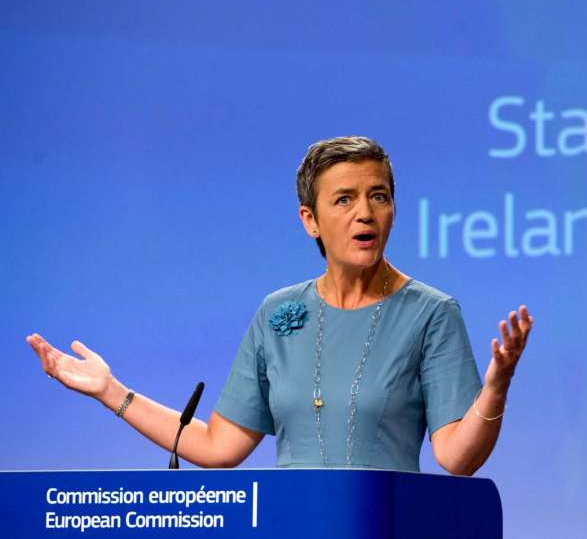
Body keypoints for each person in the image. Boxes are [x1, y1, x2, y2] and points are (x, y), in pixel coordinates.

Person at [25, 136, 533, 475]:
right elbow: (218, 446)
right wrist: (111, 391)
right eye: (344, 199)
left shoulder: (431, 313)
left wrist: (495, 388)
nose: (365, 213)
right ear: (310, 220)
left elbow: (457, 458)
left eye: (378, 196)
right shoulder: (277, 312)